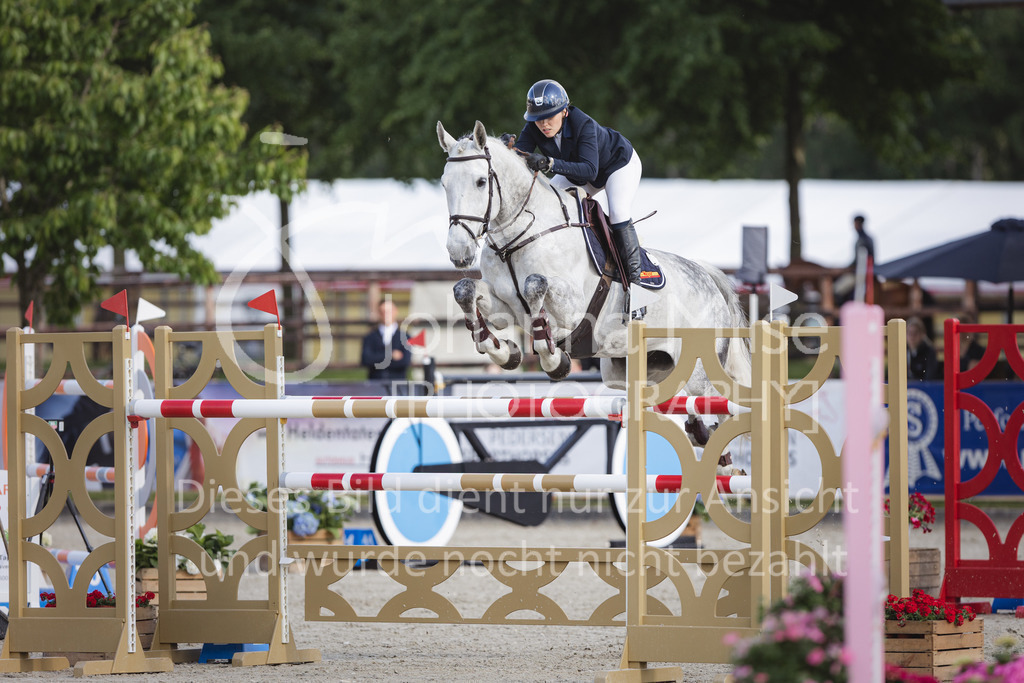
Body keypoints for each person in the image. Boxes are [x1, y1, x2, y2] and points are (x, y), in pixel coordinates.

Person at [508, 79, 644, 284]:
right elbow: (520, 156)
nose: (543, 124)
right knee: (545, 205)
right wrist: (505, 149)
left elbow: (590, 170)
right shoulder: (534, 126)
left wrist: (549, 164)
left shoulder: (584, 125)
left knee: (618, 212)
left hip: (618, 165)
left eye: (549, 117)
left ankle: (636, 282)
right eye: (538, 119)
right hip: (578, 171)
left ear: (564, 111)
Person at [360, 299, 412, 381]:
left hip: (397, 386)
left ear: (395, 311)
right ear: (378, 313)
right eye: (383, 311)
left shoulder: (405, 336)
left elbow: (405, 361)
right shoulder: (370, 337)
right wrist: (390, 355)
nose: (386, 315)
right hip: (375, 385)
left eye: (389, 311)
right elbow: (366, 360)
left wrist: (377, 359)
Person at [851, 214, 876, 304]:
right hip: (865, 270)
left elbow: (859, 260)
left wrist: (848, 268)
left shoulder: (863, 239)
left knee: (838, 289)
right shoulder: (867, 238)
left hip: (862, 272)